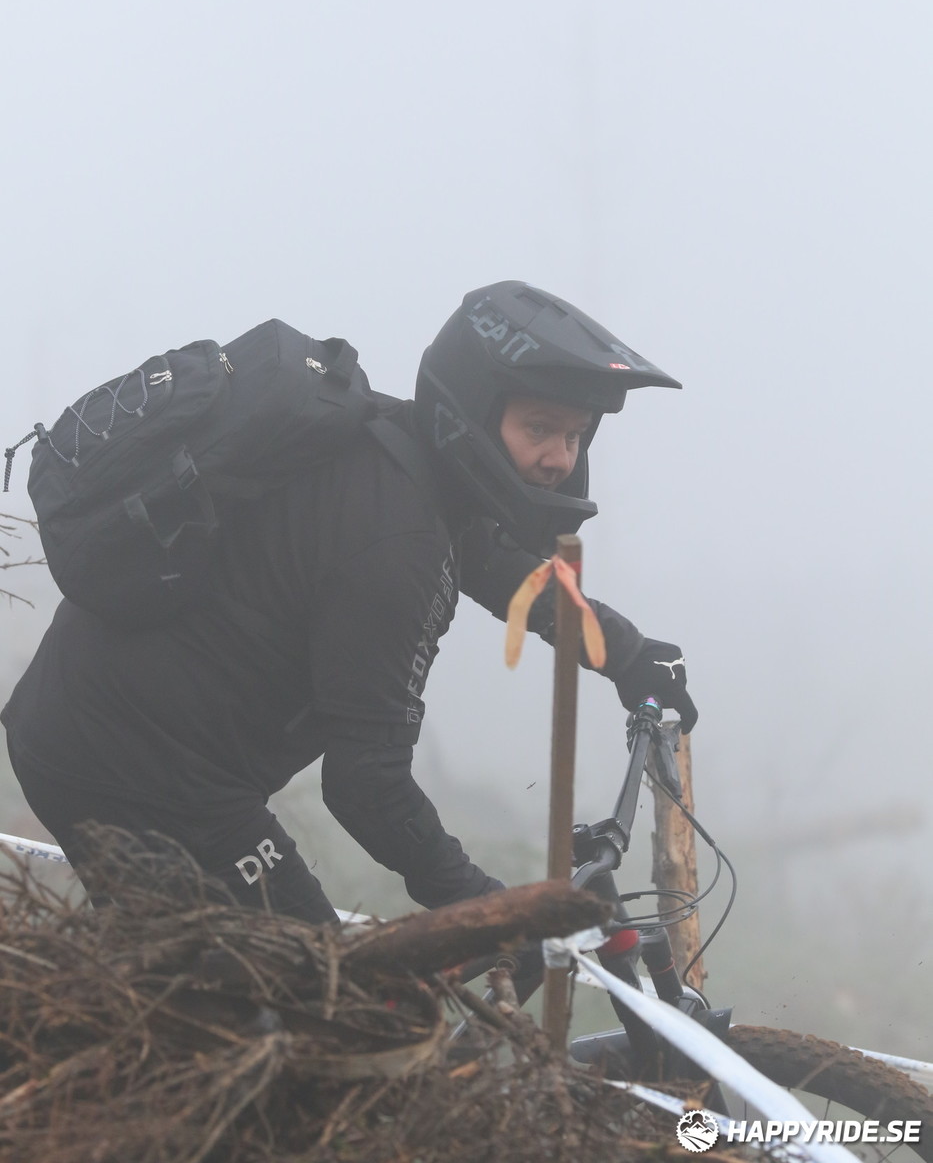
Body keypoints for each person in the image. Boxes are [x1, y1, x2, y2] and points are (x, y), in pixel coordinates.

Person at [1, 280, 696, 923]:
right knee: (322, 1009)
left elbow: (502, 566)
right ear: (474, 415)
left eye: (574, 435)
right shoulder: (395, 545)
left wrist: (627, 656)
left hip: (107, 733)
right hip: (137, 768)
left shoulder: (400, 452)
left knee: (221, 1002)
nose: (559, 459)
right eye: (538, 429)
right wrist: (479, 906)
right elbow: (366, 783)